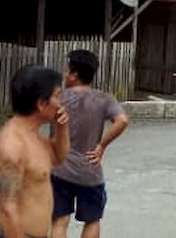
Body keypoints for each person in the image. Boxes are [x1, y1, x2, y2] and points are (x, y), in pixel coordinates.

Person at [51, 50, 129, 238]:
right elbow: (122, 120)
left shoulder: (58, 98)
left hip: (59, 169)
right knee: (92, 220)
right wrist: (101, 146)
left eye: (67, 70)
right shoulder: (104, 99)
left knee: (59, 220)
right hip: (89, 169)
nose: (64, 74)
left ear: (74, 74)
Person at [0, 64, 70, 238]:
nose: (60, 103)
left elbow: (59, 157)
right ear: (41, 103)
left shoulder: (32, 136)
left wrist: (62, 127)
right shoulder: (12, 145)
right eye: (57, 96)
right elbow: (7, 209)